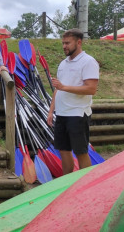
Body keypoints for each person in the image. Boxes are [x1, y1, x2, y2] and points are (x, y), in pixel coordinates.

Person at [47, 29, 99, 175]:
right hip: (61, 114)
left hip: (78, 113)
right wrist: (51, 111)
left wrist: (64, 87)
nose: (64, 46)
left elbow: (91, 89)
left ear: (79, 42)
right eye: (63, 43)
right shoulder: (63, 64)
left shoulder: (88, 62)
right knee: (64, 151)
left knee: (81, 152)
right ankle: (67, 184)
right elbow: (57, 89)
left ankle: (86, 185)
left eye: (67, 43)